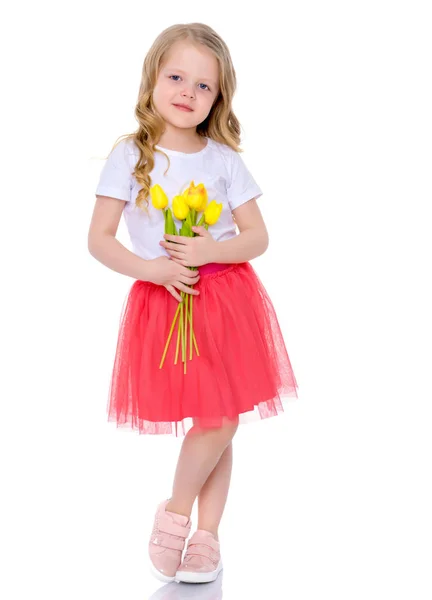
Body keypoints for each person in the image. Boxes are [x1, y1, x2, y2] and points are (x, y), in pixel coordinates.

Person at [88, 22, 299, 585]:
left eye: (204, 86)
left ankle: (187, 521)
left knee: (221, 419)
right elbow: (100, 239)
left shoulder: (223, 158)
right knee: (217, 421)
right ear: (152, 78)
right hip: (166, 300)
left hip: (227, 299)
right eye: (176, 76)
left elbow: (258, 237)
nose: (187, 92)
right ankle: (202, 533)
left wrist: (211, 249)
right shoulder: (130, 155)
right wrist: (153, 269)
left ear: (219, 97)